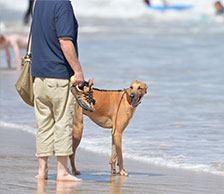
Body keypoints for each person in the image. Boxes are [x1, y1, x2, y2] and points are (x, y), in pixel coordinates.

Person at [31, 0, 85, 181]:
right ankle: (62, 172)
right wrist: (78, 71)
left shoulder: (39, 2)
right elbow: (65, 41)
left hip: (38, 76)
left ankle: (42, 170)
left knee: (43, 125)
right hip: (59, 76)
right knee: (63, 123)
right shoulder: (62, 4)